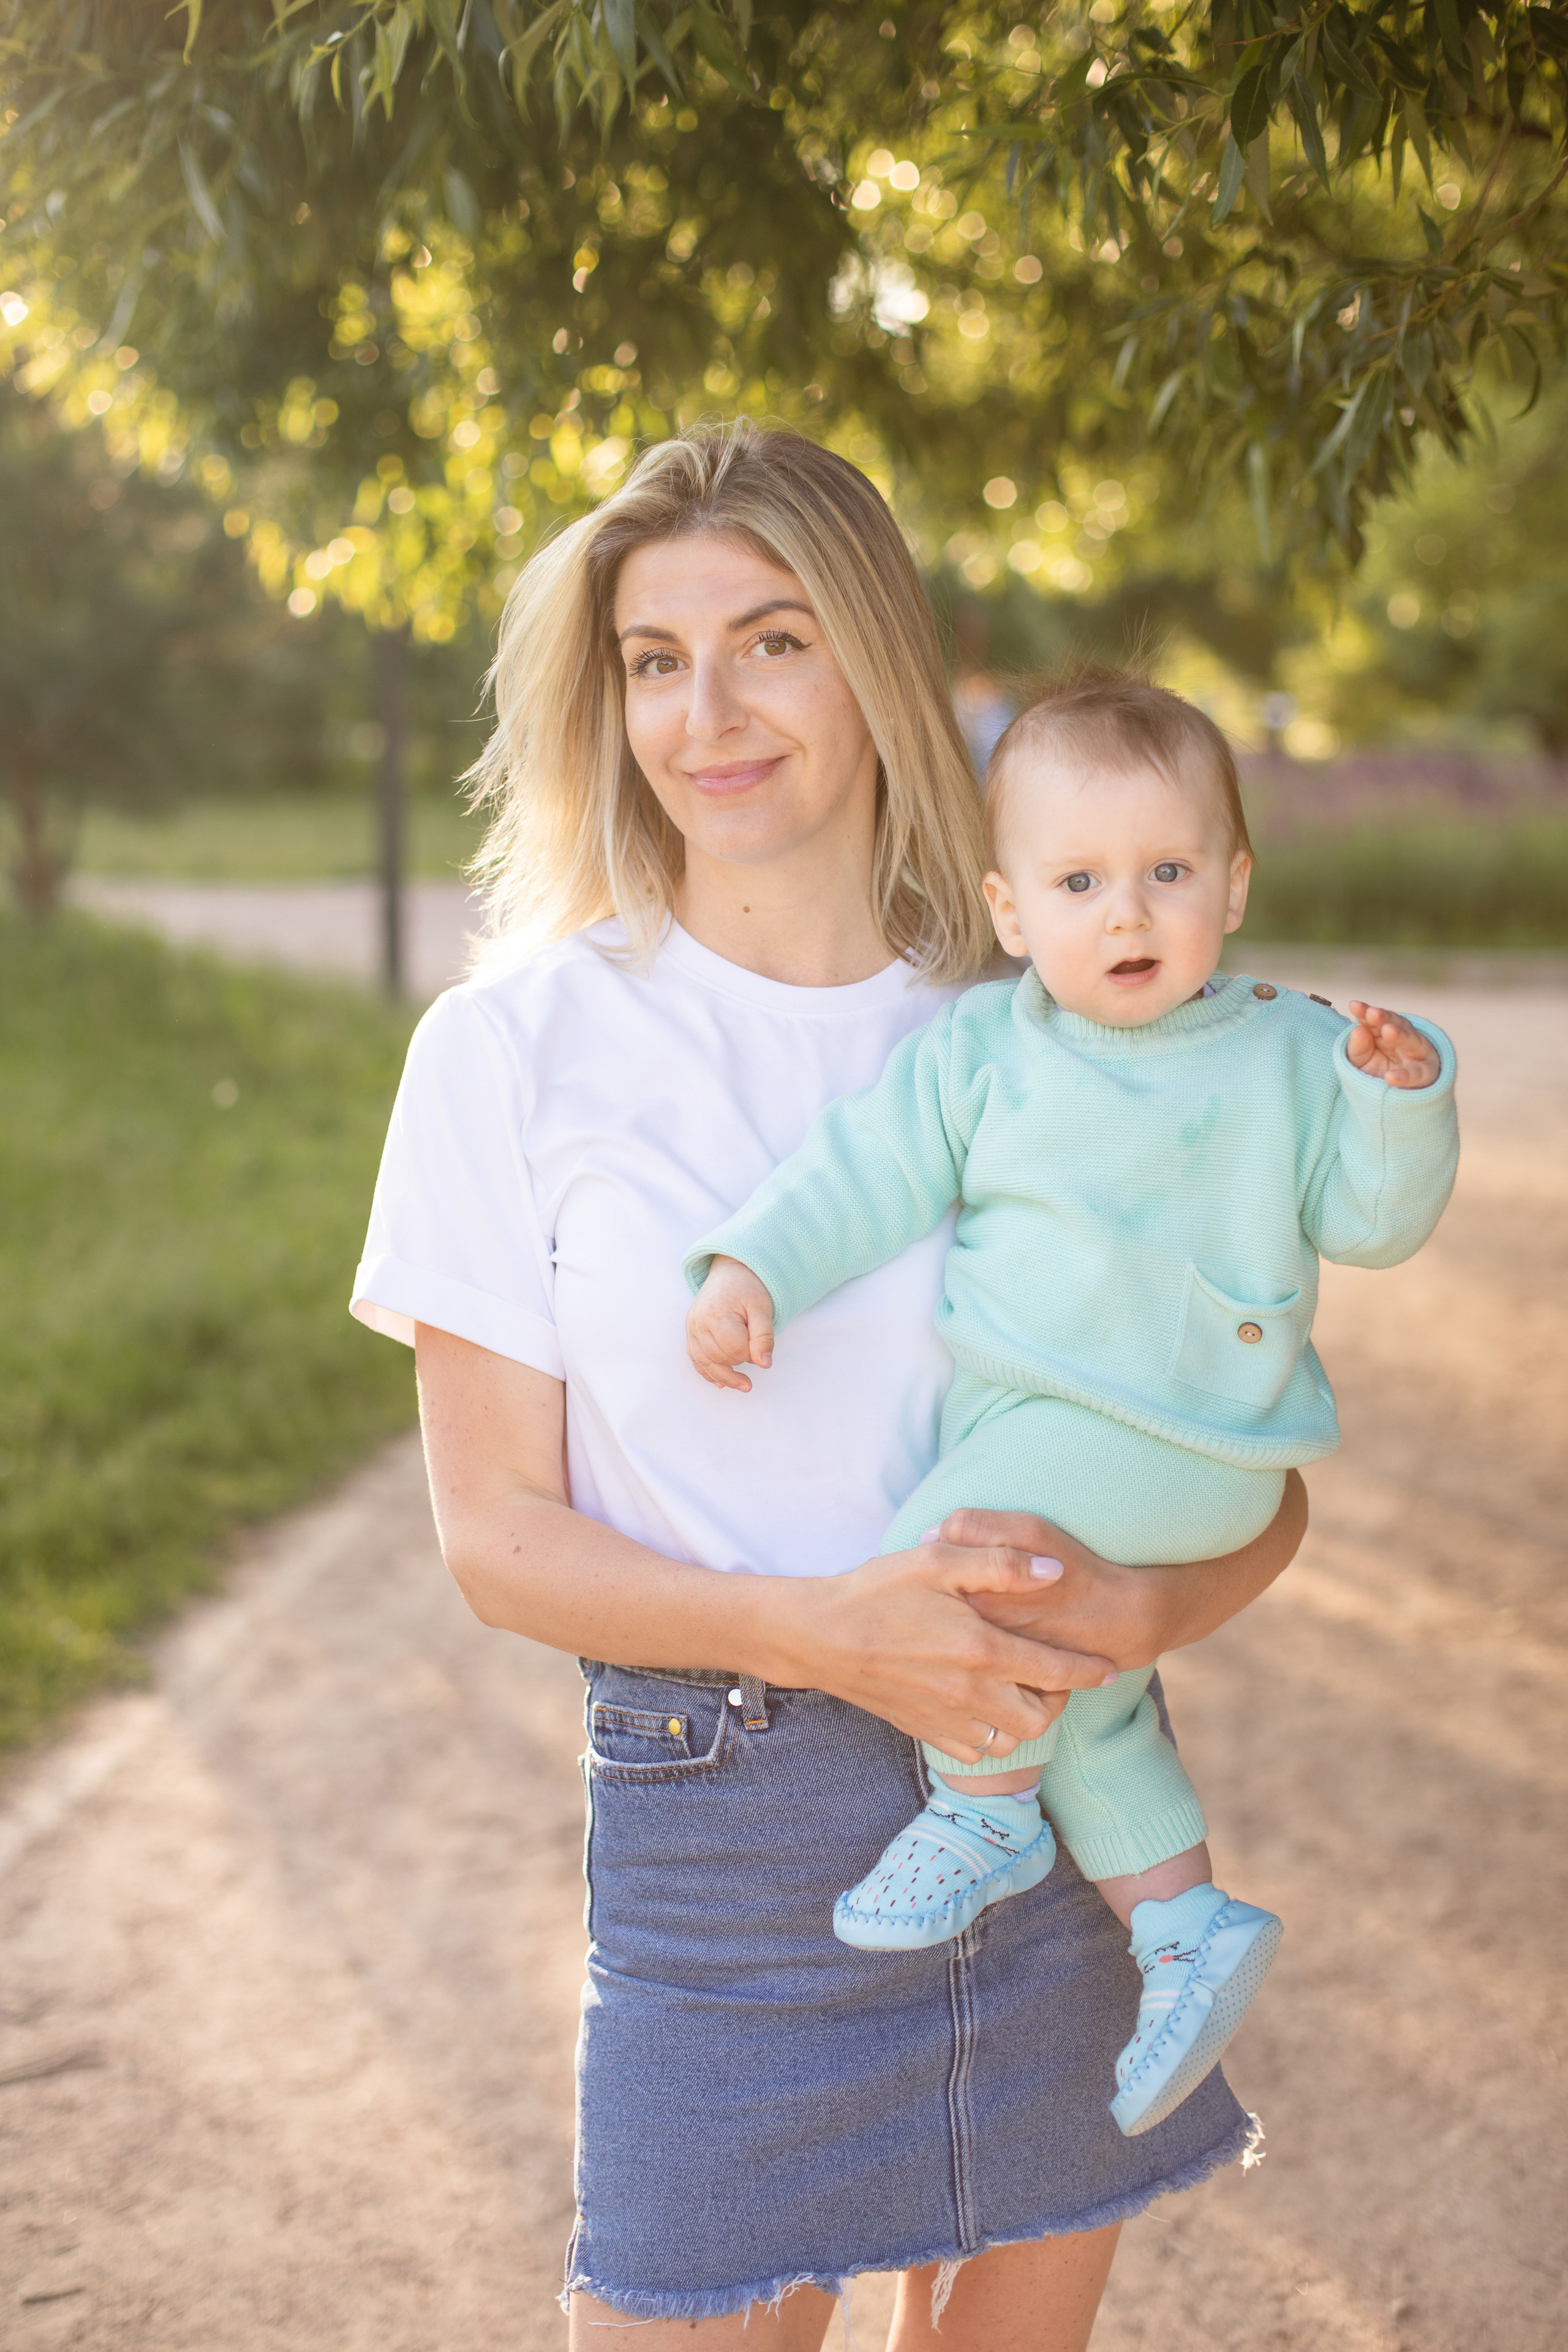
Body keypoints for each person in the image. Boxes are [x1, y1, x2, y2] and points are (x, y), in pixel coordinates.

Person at [350, 423, 1310, 2351]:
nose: (708, 708)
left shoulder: (1046, 1021)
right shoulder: (513, 1051)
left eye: (771, 639)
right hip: (727, 1836)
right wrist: (830, 1634)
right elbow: (502, 1543)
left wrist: (1154, 1605)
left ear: (874, 660)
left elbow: (1250, 1452)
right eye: (652, 658)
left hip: (1043, 1801)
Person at [685, 668, 1459, 2141]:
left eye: (1167, 873)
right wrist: (754, 1264)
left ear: (1232, 886)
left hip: (1181, 1433)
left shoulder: (1290, 1053)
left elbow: (1370, 1222)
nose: (1126, 914)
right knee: (1082, 1697)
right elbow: (863, 1171)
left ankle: (980, 1808)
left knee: (952, 1557)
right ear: (1007, 908)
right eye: (1081, 881)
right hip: (1042, 1431)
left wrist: (1398, 1105)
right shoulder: (984, 1051)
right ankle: (1182, 1926)